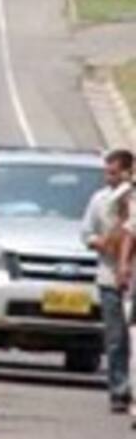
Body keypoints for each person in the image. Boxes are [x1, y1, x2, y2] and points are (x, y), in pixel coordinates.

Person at [83, 148, 134, 413]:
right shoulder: (99, 200)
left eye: (114, 173)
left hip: (131, 277)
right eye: (107, 172)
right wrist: (98, 243)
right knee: (116, 337)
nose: (109, 178)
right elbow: (87, 232)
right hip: (108, 276)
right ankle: (119, 389)